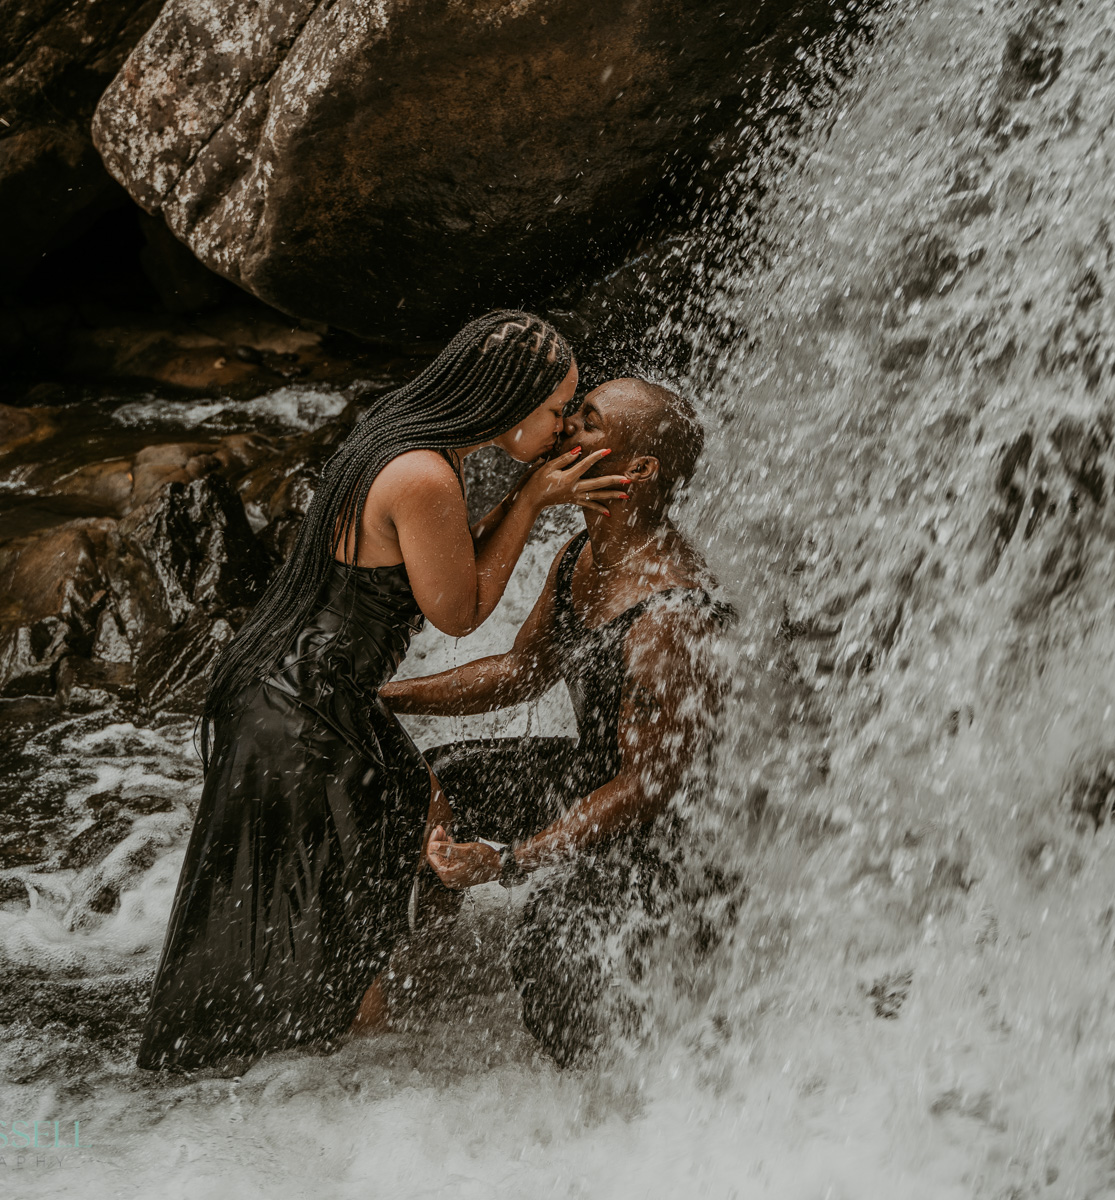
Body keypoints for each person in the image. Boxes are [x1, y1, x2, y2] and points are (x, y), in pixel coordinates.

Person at [137, 311, 630, 1072]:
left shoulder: (407, 436)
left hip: (292, 692)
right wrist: (532, 502)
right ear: (508, 398)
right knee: (345, 888)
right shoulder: (426, 475)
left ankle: (320, 1038)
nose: (566, 424)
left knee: (401, 818)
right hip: (307, 710)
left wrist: (524, 497)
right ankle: (351, 1057)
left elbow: (448, 565)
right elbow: (458, 610)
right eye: (559, 407)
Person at [368, 377, 729, 1065]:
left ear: (639, 470)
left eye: (588, 423)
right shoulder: (581, 556)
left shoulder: (672, 615)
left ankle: (590, 1104)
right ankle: (424, 981)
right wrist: (388, 694)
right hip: (589, 775)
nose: (565, 430)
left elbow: (646, 789)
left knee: (548, 935)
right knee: (430, 789)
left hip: (667, 836)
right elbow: (521, 672)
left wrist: (509, 861)